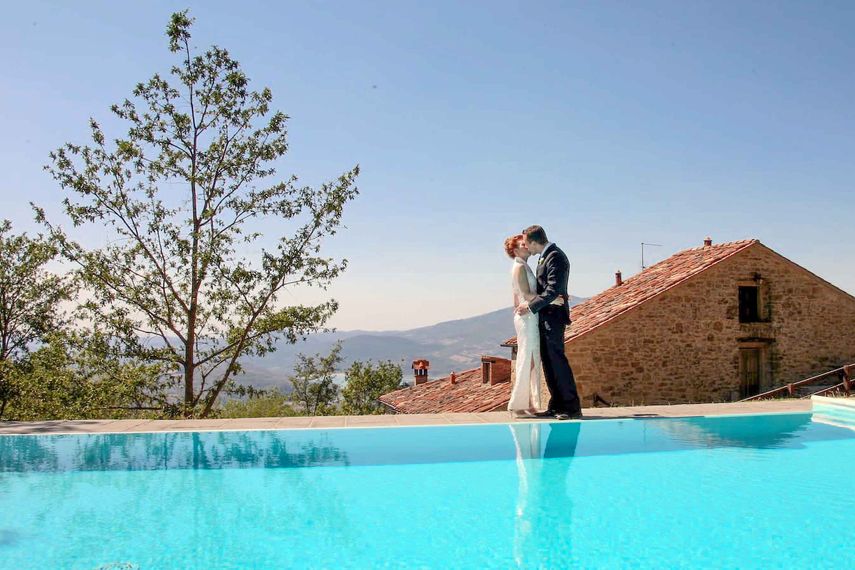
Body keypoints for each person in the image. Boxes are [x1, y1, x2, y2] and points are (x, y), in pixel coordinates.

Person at [515, 225, 582, 420]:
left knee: (557, 361)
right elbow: (547, 291)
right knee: (549, 362)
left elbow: (552, 289)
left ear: (534, 242)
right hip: (546, 315)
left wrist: (530, 306)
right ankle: (556, 405)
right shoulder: (545, 256)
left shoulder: (556, 256)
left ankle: (571, 408)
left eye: (526, 243)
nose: (526, 247)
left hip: (554, 317)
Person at [504, 234, 564, 418]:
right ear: (515, 250)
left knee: (531, 359)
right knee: (527, 359)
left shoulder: (523, 266)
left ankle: (528, 404)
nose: (527, 246)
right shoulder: (519, 267)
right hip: (527, 318)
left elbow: (517, 297)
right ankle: (519, 405)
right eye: (523, 244)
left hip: (530, 315)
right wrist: (553, 300)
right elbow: (526, 294)